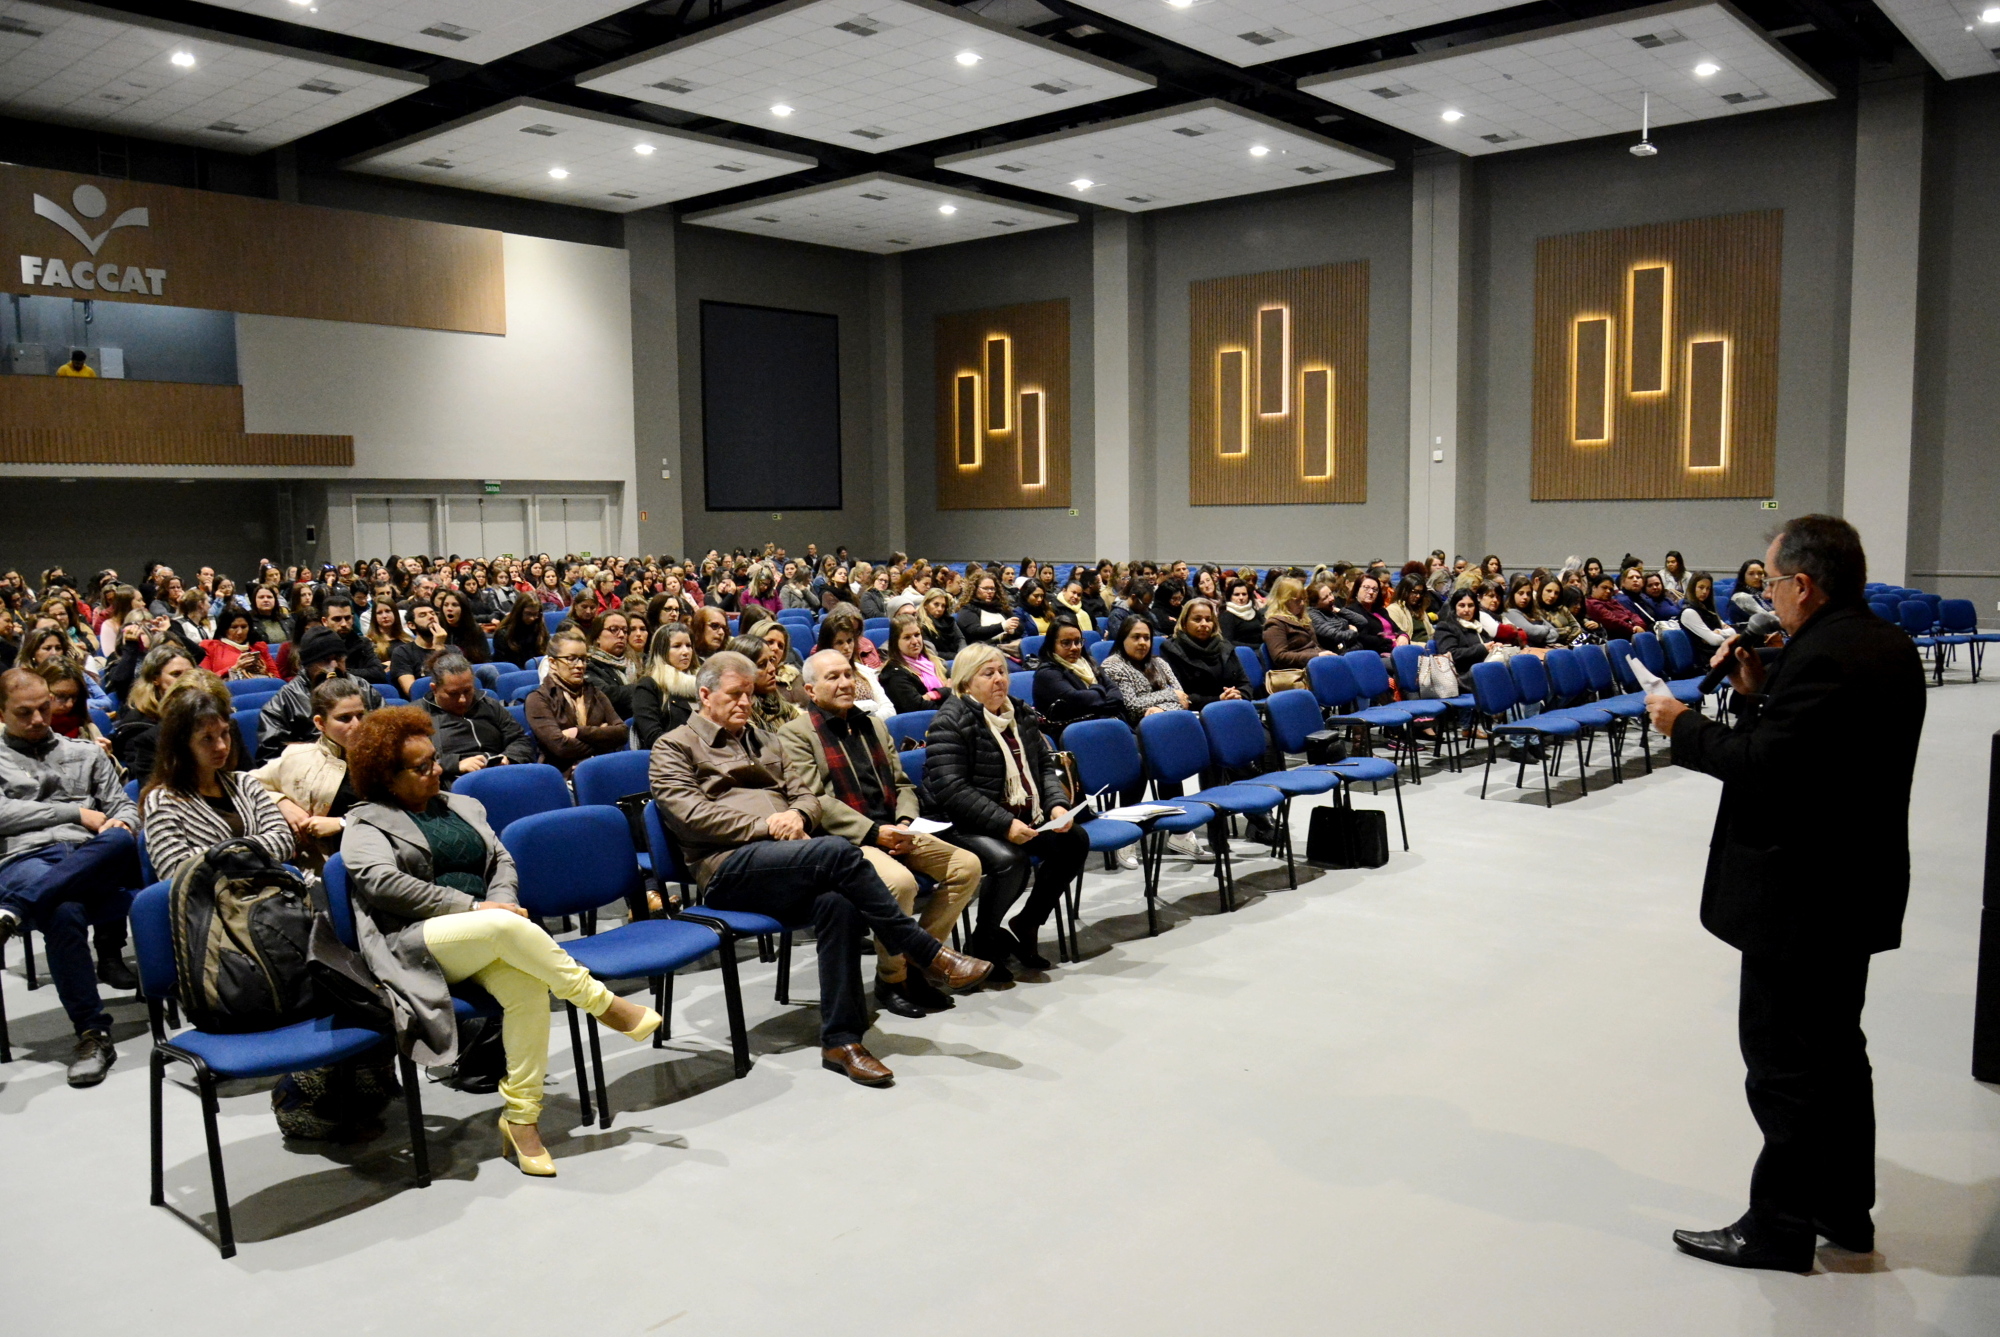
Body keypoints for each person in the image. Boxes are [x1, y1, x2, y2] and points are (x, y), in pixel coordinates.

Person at [1647, 515, 1925, 1273]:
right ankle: (1843, 1207)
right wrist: (1760, 692)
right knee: (1837, 1053)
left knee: (1785, 1064)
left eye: (1770, 581)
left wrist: (1683, 724)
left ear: (1803, 584)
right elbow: (1819, 754)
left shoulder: (1826, 654)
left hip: (1803, 893)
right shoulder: (1886, 645)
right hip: (1851, 884)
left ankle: (1778, 1226)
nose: (1765, 592)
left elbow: (1770, 768)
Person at [342, 707, 661, 1176]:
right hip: (415, 941)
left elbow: (501, 862)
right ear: (387, 778)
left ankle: (522, 1119)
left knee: (527, 988)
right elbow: (383, 885)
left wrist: (498, 903)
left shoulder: (462, 805)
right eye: (422, 766)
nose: (437, 770)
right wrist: (474, 909)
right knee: (504, 928)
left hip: (489, 934)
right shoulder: (365, 824)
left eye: (435, 759)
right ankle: (599, 1001)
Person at [651, 651, 991, 1086]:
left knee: (839, 902)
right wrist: (768, 825)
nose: (744, 704)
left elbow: (806, 796)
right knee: (837, 851)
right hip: (727, 868)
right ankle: (925, 953)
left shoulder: (763, 738)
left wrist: (798, 817)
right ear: (705, 694)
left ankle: (841, 1039)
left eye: (750, 695)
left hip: (790, 857)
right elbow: (690, 815)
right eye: (734, 695)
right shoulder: (674, 745)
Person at [778, 650, 983, 1018]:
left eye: (847, 674)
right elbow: (816, 800)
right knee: (902, 884)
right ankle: (892, 979)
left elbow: (902, 783)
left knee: (966, 865)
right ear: (810, 689)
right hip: (846, 840)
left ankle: (920, 962)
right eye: (832, 677)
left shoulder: (873, 724)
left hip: (894, 828)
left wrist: (904, 823)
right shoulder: (794, 734)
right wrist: (875, 832)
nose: (844, 683)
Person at [0, 668, 141, 1086]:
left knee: (119, 841)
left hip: (91, 854)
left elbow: (123, 807)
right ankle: (93, 1033)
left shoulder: (87, 752)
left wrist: (121, 824)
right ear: (1, 711)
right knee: (62, 909)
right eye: (24, 713)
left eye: (44, 707)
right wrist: (73, 812)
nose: (40, 719)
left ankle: (13, 912)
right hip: (28, 858)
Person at [923, 643, 1090, 979]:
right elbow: (952, 790)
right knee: (1009, 861)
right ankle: (984, 941)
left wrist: (1056, 803)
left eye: (1001, 671)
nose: (999, 679)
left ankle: (1027, 921)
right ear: (967, 682)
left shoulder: (1019, 714)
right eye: (988, 673)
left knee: (1074, 840)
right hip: (960, 823)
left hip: (1018, 815)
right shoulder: (950, 722)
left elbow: (1043, 765)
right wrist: (1004, 824)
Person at [139, 687, 295, 879]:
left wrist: (212, 854)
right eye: (207, 738)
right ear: (182, 745)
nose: (221, 746)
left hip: (271, 893)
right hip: (210, 903)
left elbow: (285, 841)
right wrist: (257, 848)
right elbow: (175, 868)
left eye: (224, 733)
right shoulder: (163, 801)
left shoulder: (246, 783)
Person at [252, 677, 365, 872]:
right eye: (344, 718)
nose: (356, 725)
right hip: (321, 867)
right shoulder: (296, 757)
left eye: (360, 715)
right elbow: (246, 783)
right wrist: (281, 802)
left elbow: (397, 815)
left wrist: (342, 823)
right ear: (320, 723)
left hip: (376, 855)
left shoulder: (385, 757)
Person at [256, 626, 384, 761]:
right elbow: (271, 759)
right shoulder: (283, 702)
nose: (334, 665)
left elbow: (389, 733)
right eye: (325, 660)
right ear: (308, 664)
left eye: (339, 658)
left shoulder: (363, 688)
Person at [418, 651, 535, 784]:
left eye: (467, 691)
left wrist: (508, 757)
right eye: (453, 693)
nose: (462, 700)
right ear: (434, 689)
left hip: (501, 773)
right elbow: (414, 762)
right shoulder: (417, 715)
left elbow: (520, 739)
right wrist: (456, 764)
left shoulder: (489, 704)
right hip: (453, 782)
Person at [524, 630, 626, 778]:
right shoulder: (538, 699)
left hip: (602, 769)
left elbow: (622, 733)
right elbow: (561, 747)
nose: (580, 665)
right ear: (553, 663)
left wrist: (578, 732)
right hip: (563, 775)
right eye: (571, 659)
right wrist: (603, 736)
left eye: (583, 659)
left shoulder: (595, 692)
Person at [111, 643, 195, 780]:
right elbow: (147, 780)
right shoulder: (137, 726)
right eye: (176, 674)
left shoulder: (203, 710)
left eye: (191, 674)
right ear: (155, 679)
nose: (187, 681)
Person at [1033, 619, 1127, 730]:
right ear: (1052, 644)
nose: (1074, 648)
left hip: (1107, 723)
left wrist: (1095, 695)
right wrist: (1101, 690)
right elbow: (1076, 699)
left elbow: (1116, 694)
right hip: (1075, 734)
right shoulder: (1046, 673)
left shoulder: (1089, 662)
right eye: (1066, 643)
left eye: (1077, 642)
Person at [1161, 597, 1251, 711]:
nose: (1204, 624)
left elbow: (1245, 683)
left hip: (1233, 708)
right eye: (1197, 619)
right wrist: (1218, 700)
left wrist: (1239, 695)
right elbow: (1179, 695)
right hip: (1196, 714)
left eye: (1208, 620)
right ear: (1184, 623)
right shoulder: (1171, 650)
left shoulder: (1225, 647)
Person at [1100, 614, 1188, 718]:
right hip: (1137, 728)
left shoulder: (1159, 662)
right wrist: (1171, 695)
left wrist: (1160, 709)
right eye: (1136, 637)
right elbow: (1132, 708)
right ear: (1123, 639)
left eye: (1146, 638)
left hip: (1170, 720)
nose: (1142, 643)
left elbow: (1183, 699)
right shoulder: (1112, 665)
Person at [632, 622, 698, 750]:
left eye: (688, 645)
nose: (685, 651)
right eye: (677, 646)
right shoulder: (648, 686)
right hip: (672, 758)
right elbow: (654, 737)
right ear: (661, 652)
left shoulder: (704, 684)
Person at [877, 614, 951, 715]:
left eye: (917, 635)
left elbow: (957, 688)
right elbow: (917, 707)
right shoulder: (894, 673)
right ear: (895, 642)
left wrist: (931, 696)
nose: (915, 641)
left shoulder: (933, 661)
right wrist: (945, 691)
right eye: (907, 637)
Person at [1262, 577, 1332, 674]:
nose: (1302, 603)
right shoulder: (1275, 624)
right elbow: (1280, 657)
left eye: (1303, 599)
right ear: (1284, 601)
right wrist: (1316, 656)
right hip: (1298, 673)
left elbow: (1315, 646)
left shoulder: (1302, 619)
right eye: (1297, 600)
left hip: (1314, 667)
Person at [321, 595, 390, 685]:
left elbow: (378, 674)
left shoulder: (363, 643)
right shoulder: (317, 647)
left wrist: (342, 673)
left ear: (353, 619)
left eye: (347, 618)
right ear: (325, 621)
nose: (344, 624)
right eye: (337, 619)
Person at [1679, 572, 1731, 648]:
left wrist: (1718, 632)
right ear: (1693, 588)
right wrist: (1726, 635)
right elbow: (1715, 641)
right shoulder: (1689, 612)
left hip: (1721, 651)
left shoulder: (1708, 609)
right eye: (1701, 587)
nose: (1705, 592)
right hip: (1708, 656)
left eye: (1708, 588)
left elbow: (1732, 632)